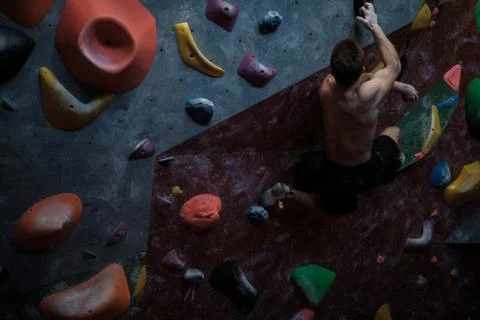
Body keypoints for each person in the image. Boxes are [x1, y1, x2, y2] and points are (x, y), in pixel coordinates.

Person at [286, 2, 420, 215]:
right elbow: (393, 66)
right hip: (362, 170)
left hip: (330, 167)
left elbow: (364, 78)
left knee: (318, 181)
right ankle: (390, 168)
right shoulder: (368, 95)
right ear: (363, 70)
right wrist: (374, 25)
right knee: (393, 132)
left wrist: (401, 87)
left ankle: (293, 195)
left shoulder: (327, 87)